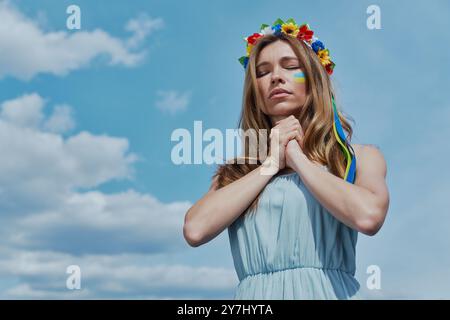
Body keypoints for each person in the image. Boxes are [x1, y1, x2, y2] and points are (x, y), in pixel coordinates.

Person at [183, 18, 390, 299]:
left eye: (291, 67)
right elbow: (195, 230)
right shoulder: (237, 171)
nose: (276, 77)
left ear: (315, 80)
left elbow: (368, 217)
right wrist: (270, 163)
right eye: (262, 72)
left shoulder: (357, 158)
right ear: (254, 93)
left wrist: (296, 158)